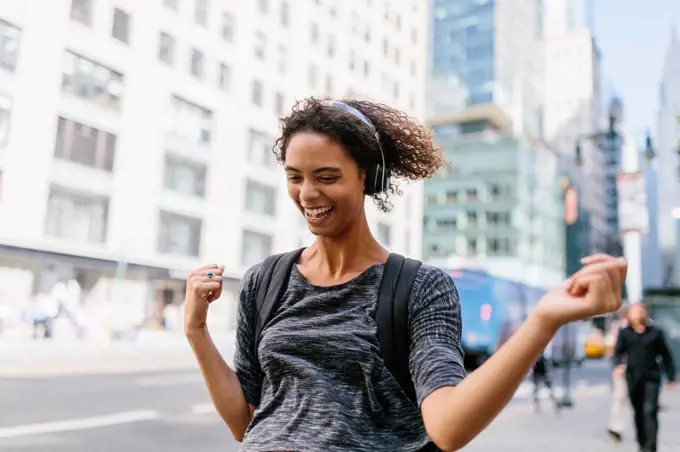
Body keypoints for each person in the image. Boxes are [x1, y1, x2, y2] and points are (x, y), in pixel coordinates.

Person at [184, 97, 628, 451]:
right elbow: (245, 421)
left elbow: (448, 428)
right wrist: (197, 331)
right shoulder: (266, 280)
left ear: (368, 177)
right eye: (295, 176)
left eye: (327, 176)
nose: (308, 193)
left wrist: (542, 321)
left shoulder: (421, 288)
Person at [613, 302, 676, 452]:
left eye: (642, 311)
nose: (639, 314)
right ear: (629, 315)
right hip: (633, 377)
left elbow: (666, 355)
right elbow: (617, 353)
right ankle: (642, 443)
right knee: (639, 411)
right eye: (635, 311)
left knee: (650, 410)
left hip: (652, 377)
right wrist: (618, 366)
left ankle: (651, 447)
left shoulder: (655, 333)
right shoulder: (625, 333)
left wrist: (670, 377)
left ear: (647, 313)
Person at [607, 304, 630, 442]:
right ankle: (617, 426)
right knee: (620, 397)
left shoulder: (639, 326)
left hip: (631, 366)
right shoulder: (618, 326)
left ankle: (617, 425)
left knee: (621, 398)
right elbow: (613, 346)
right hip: (622, 366)